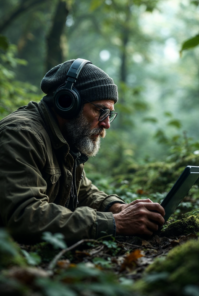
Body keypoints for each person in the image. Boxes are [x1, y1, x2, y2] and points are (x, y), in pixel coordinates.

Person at [0, 58, 165, 245]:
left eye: (110, 114)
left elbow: (83, 192)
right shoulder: (21, 134)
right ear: (68, 102)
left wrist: (117, 208)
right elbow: (23, 216)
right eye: (100, 111)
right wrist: (114, 223)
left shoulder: (65, 137)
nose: (106, 124)